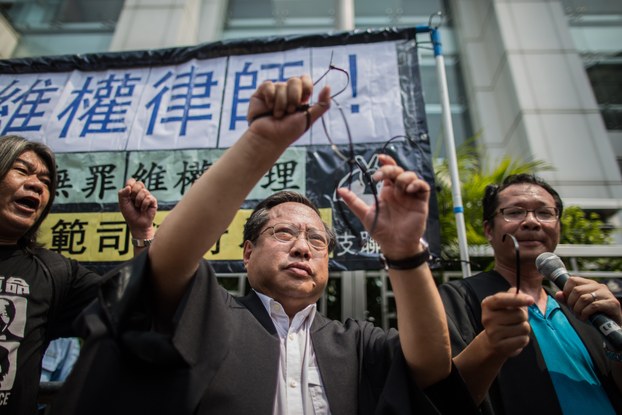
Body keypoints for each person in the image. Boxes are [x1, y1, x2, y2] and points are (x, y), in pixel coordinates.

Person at [50, 75, 476, 415]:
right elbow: (167, 262)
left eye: (316, 240)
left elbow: (431, 367)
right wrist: (261, 144)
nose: (302, 248)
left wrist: (405, 253)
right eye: (284, 233)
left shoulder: (358, 344)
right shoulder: (209, 318)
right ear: (248, 252)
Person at [439, 173, 622, 414]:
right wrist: (491, 344)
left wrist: (617, 333)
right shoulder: (458, 297)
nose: (532, 222)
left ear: (558, 227)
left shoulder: (585, 306)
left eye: (545, 213)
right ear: (489, 230)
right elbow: (441, 396)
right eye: (515, 212)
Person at [0, 134, 157, 415]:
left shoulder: (55, 273)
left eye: (46, 181)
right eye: (22, 170)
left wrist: (142, 232)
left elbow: (138, 306)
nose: (37, 185)